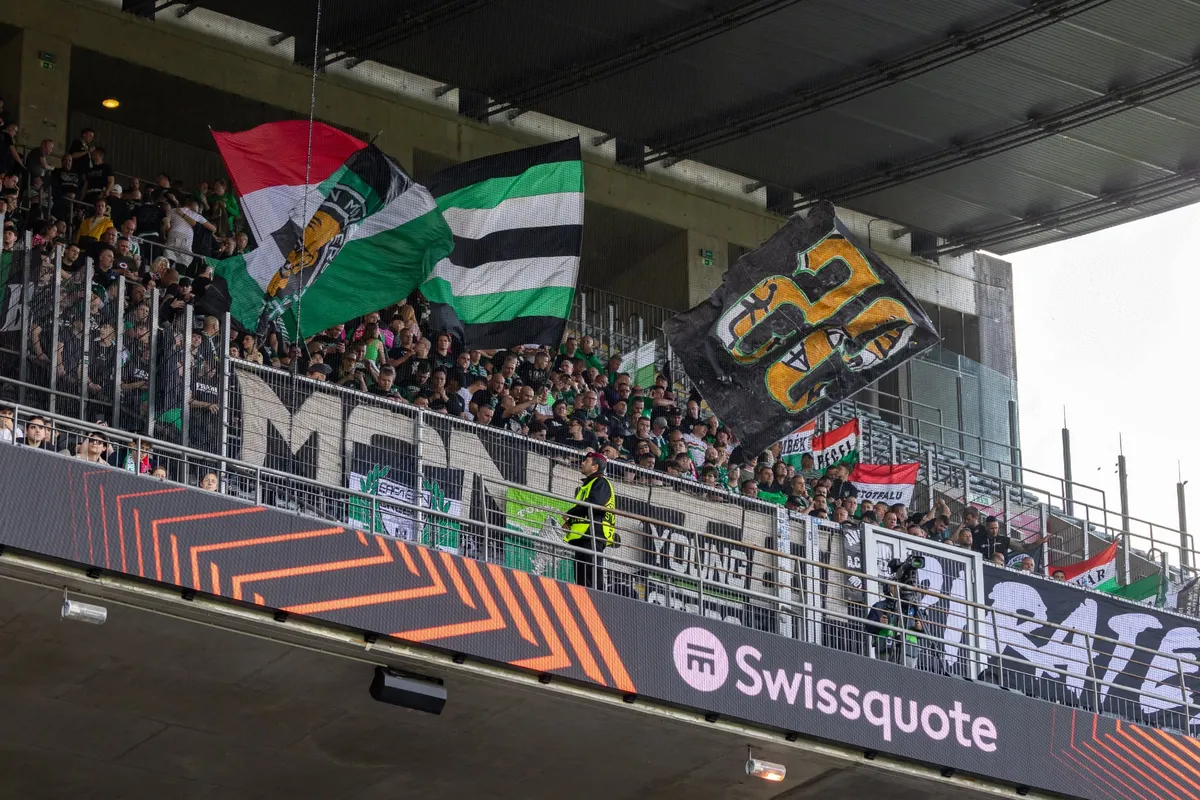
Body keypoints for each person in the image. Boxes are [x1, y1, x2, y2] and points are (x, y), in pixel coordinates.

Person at [561, 452, 616, 589]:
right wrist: (570, 521)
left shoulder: (601, 482)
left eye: (586, 461)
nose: (582, 463)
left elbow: (594, 504)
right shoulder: (589, 484)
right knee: (582, 577)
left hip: (594, 533)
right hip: (584, 534)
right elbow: (585, 508)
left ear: (595, 467)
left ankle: (597, 599)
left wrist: (570, 514)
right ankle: (583, 599)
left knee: (592, 575)